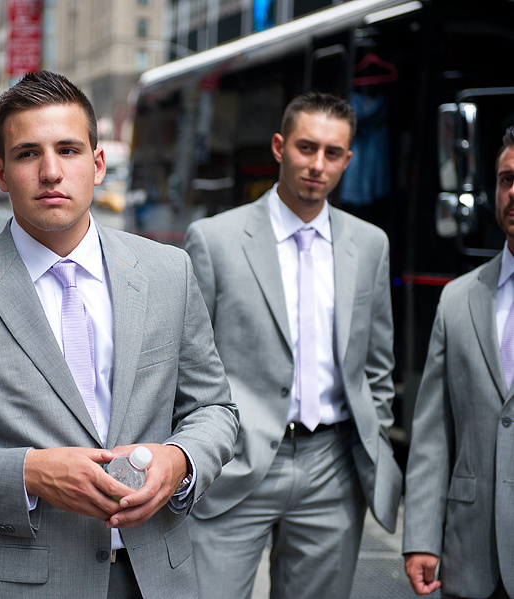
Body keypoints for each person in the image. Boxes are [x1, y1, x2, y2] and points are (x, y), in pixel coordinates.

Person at [0, 70, 239, 599]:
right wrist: (27, 474)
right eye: (27, 154)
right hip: (16, 585)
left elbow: (215, 410)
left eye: (68, 150)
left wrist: (180, 460)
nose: (51, 172)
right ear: (0, 172)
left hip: (158, 577)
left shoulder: (168, 272)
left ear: (97, 163)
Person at [183, 91, 402, 599]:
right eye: (306, 148)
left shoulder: (370, 244)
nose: (317, 165)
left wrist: (375, 433)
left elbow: (377, 363)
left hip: (333, 467)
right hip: (233, 463)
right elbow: (186, 362)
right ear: (280, 147)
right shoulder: (214, 239)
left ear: (348, 160)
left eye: (332, 154)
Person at [403, 127, 514, 599]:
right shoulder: (458, 299)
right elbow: (432, 434)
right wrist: (422, 537)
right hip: (471, 558)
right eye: (507, 178)